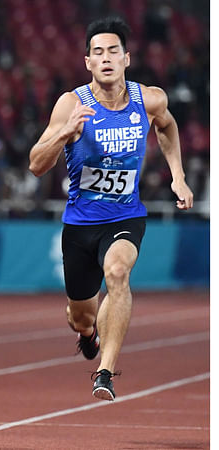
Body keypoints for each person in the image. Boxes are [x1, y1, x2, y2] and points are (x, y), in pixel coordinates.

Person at [29, 17, 193, 401]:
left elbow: (167, 127)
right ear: (87, 62)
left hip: (126, 216)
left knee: (118, 273)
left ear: (127, 59)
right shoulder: (71, 104)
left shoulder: (149, 99)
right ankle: (89, 335)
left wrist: (178, 176)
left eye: (113, 51)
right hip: (81, 223)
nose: (105, 59)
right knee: (80, 316)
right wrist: (64, 134)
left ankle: (105, 371)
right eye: (97, 53)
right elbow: (36, 164)